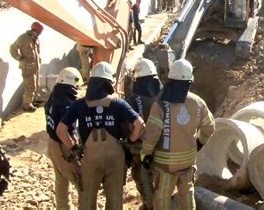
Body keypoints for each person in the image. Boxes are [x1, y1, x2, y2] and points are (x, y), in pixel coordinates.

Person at [56, 62, 145, 210]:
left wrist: (74, 147)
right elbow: (140, 124)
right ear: (108, 83)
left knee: (87, 200)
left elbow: (60, 130)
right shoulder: (118, 103)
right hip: (115, 157)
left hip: (90, 158)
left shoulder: (79, 105)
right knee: (115, 201)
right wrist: (129, 141)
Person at [140, 58, 215, 210]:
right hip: (188, 162)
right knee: (187, 196)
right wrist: (200, 142)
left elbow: (152, 134)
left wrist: (145, 154)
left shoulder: (161, 104)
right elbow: (210, 126)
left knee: (162, 198)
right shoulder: (198, 102)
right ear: (190, 81)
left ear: (170, 79)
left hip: (165, 166)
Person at [126, 58, 163, 209]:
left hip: (141, 150)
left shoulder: (134, 100)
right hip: (163, 147)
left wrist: (129, 141)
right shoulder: (165, 96)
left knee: (143, 179)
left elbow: (131, 126)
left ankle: (150, 205)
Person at [45, 67, 83, 209]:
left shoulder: (54, 96)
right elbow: (64, 131)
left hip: (52, 144)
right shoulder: (65, 104)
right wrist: (74, 148)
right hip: (63, 147)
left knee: (61, 180)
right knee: (81, 183)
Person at [9, 21, 43, 112]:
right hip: (27, 67)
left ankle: (31, 102)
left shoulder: (35, 39)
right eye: (39, 32)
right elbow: (13, 48)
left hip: (35, 67)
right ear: (34, 30)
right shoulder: (23, 38)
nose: (40, 34)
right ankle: (27, 106)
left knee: (36, 85)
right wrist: (20, 58)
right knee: (30, 86)